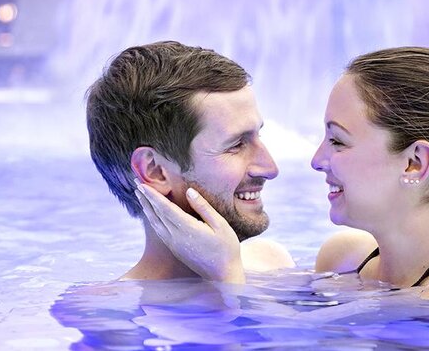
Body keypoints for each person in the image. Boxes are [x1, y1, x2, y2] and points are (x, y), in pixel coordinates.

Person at [138, 46, 429, 300]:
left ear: (415, 162)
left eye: (338, 141)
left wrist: (227, 280)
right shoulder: (344, 260)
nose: (317, 160)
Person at [86, 40, 294, 281]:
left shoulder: (272, 261)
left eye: (258, 135)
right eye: (236, 145)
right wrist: (226, 277)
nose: (270, 168)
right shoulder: (109, 312)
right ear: (155, 171)